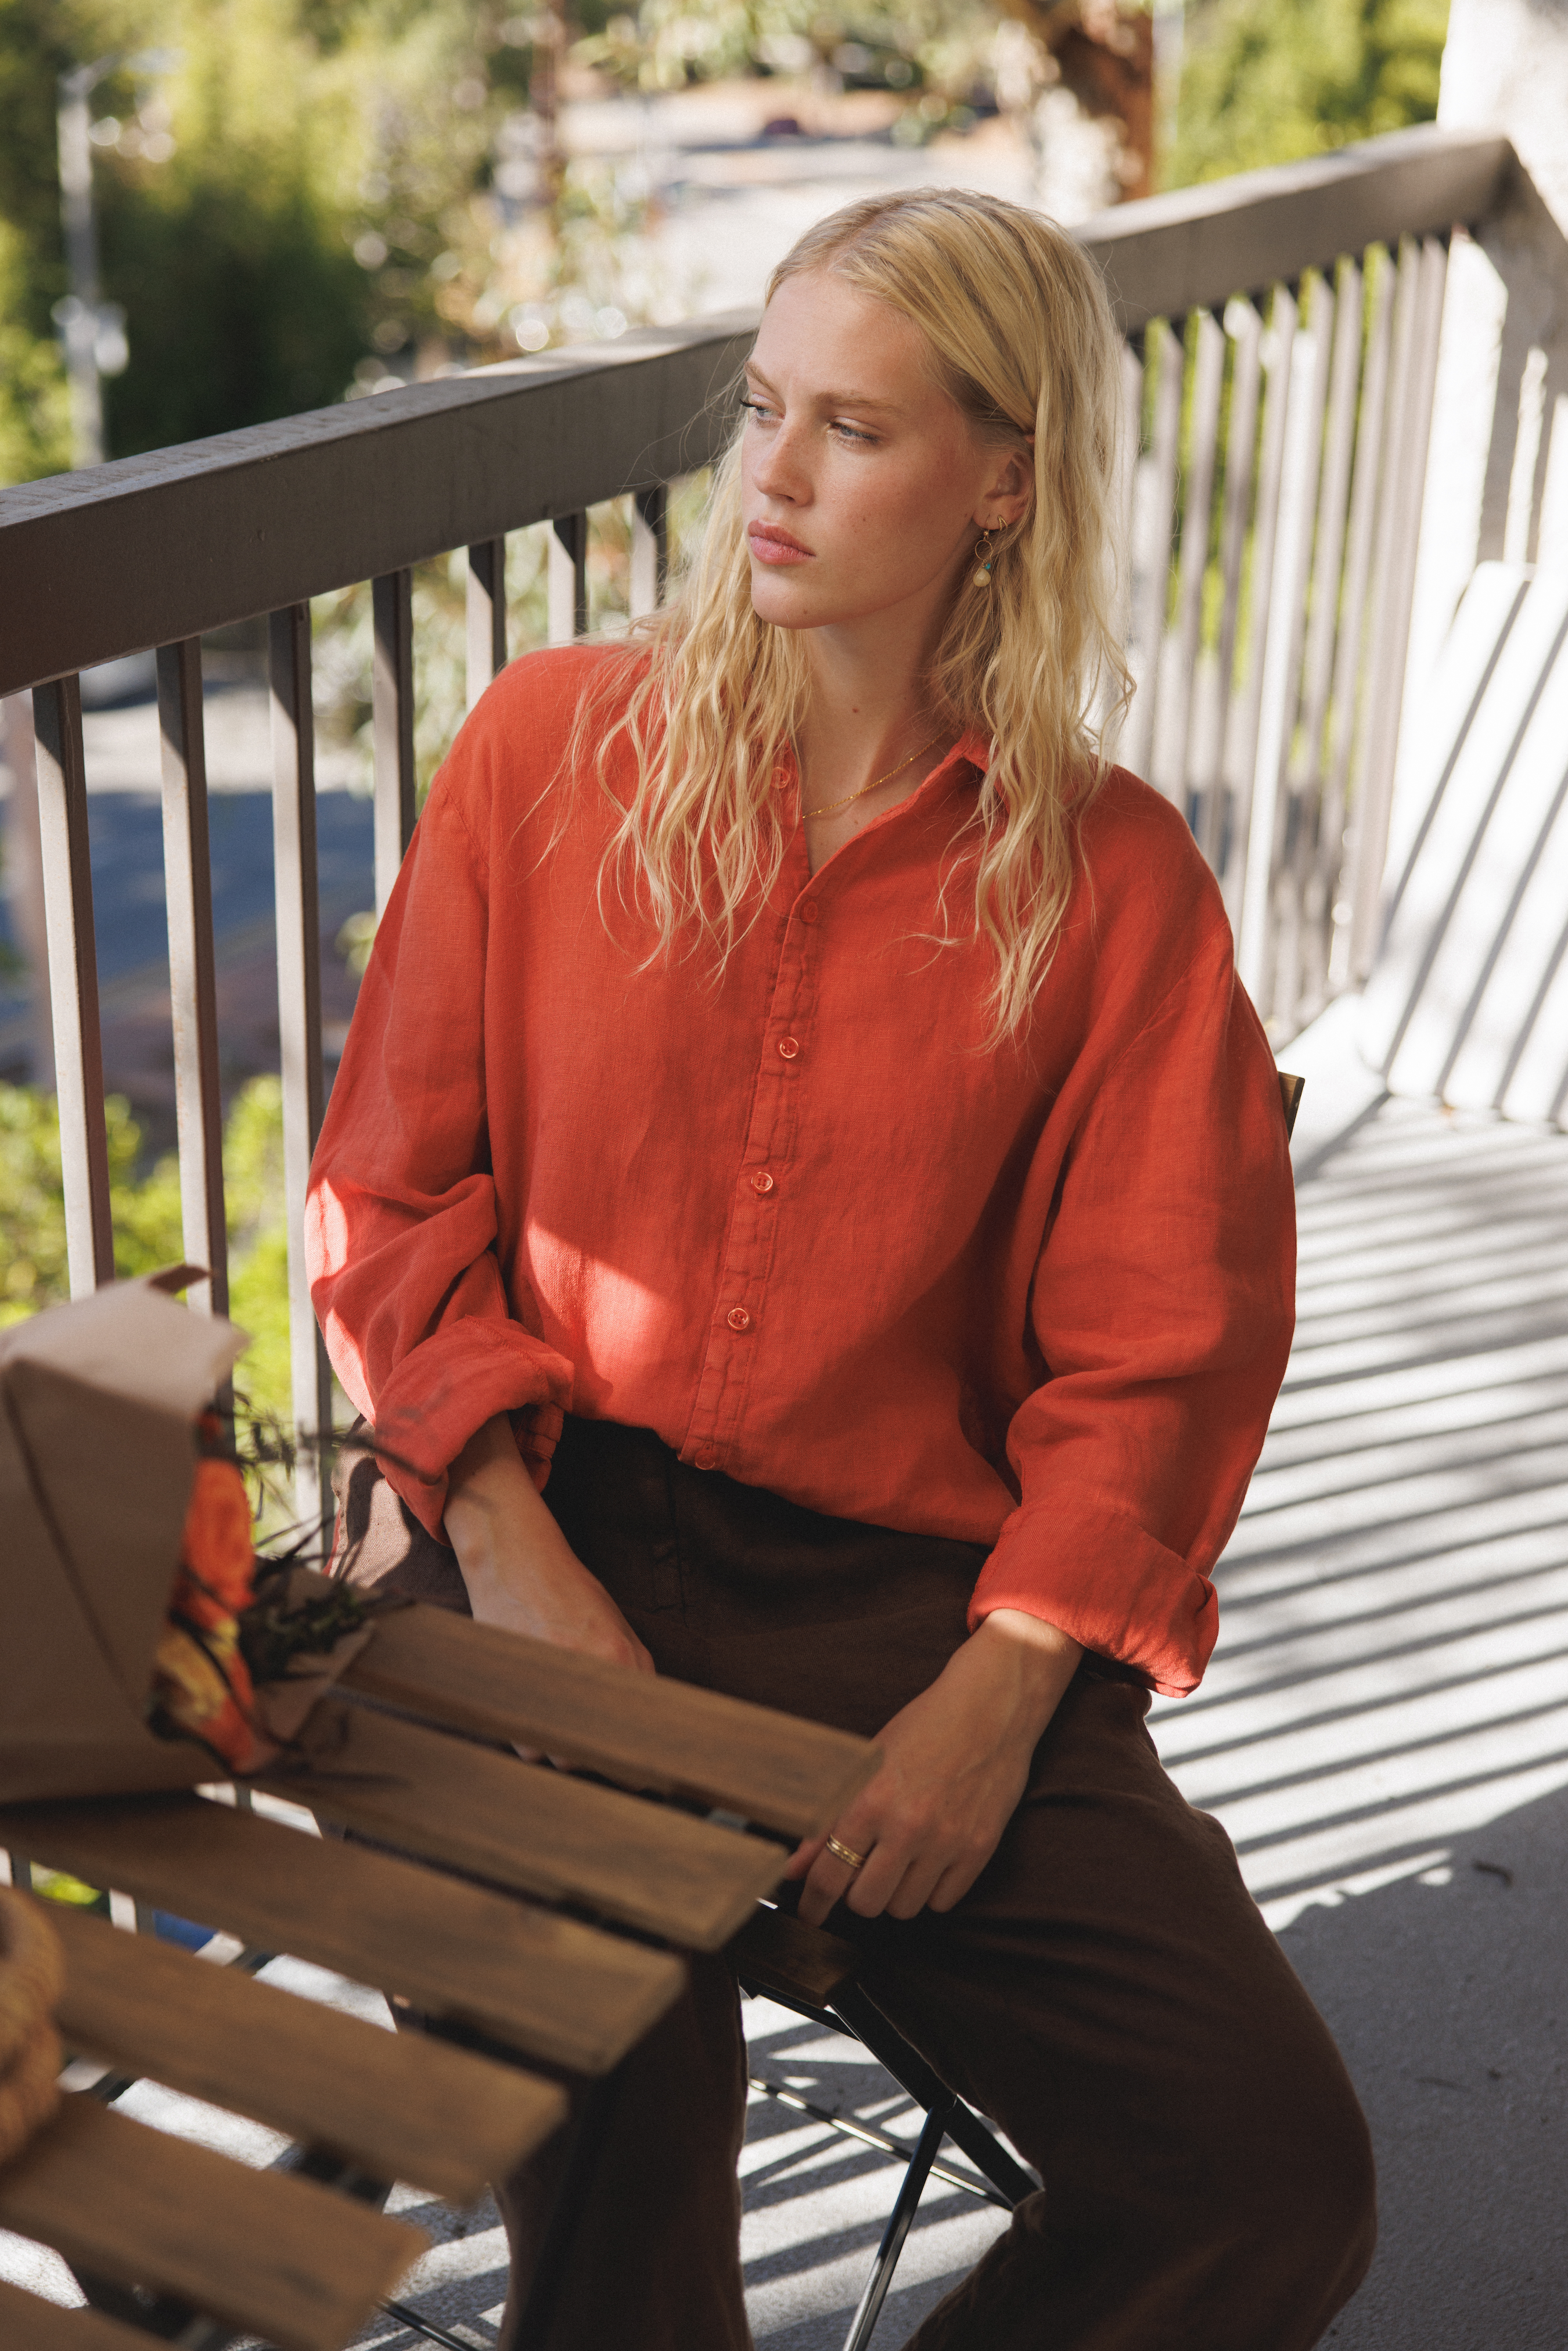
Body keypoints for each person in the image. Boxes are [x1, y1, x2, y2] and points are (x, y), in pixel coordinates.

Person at [307, 187, 1375, 2350]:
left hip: (915, 1601)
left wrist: (995, 1699)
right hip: (533, 1516)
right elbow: (391, 1204)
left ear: (1006, 480)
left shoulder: (1114, 884)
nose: (769, 481)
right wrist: (513, 1559)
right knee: (620, 2114)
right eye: (761, 411)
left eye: (853, 432)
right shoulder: (546, 755)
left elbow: (1160, 1347)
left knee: (1260, 2180)